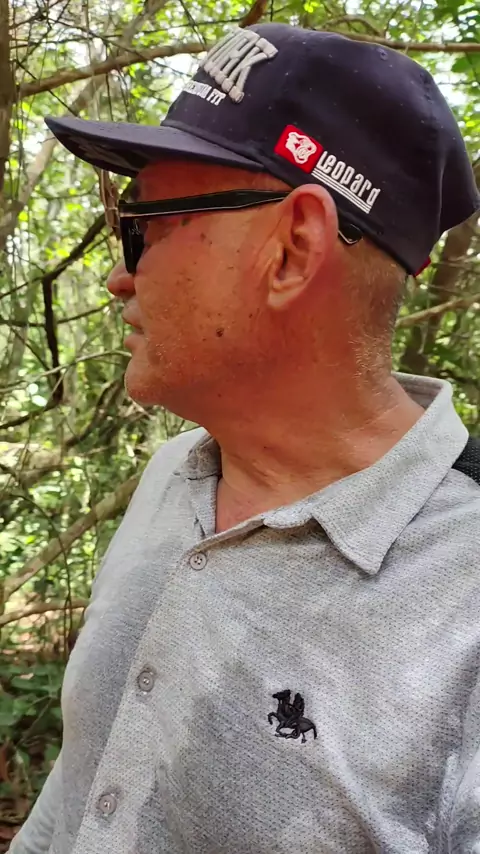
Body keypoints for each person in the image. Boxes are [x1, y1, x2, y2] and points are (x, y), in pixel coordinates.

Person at [10, 21, 480, 854]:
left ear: (293, 249)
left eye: (141, 225)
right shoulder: (174, 472)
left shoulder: (462, 591)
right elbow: (77, 797)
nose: (117, 276)